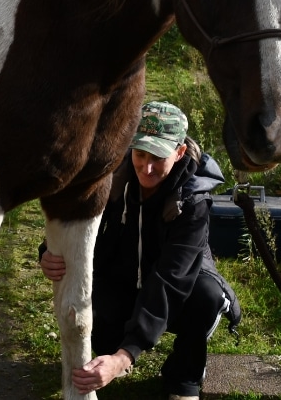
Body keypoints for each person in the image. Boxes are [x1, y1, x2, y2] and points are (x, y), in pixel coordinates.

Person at [39, 101, 239, 400]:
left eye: (158, 157)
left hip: (176, 285)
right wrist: (47, 251)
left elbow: (170, 280)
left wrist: (125, 356)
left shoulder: (193, 202)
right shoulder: (111, 179)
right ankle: (116, 345)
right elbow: (75, 218)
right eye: (140, 154)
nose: (146, 167)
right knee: (97, 313)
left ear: (179, 152)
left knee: (206, 298)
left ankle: (183, 378)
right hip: (123, 275)